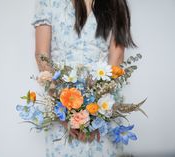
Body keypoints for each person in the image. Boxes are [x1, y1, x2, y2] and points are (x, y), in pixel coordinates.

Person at [31, 0, 136, 156]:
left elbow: (117, 58)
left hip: (102, 103)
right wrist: (63, 111)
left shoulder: (114, 3)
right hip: (61, 103)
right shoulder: (49, 2)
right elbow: (42, 56)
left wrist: (97, 114)